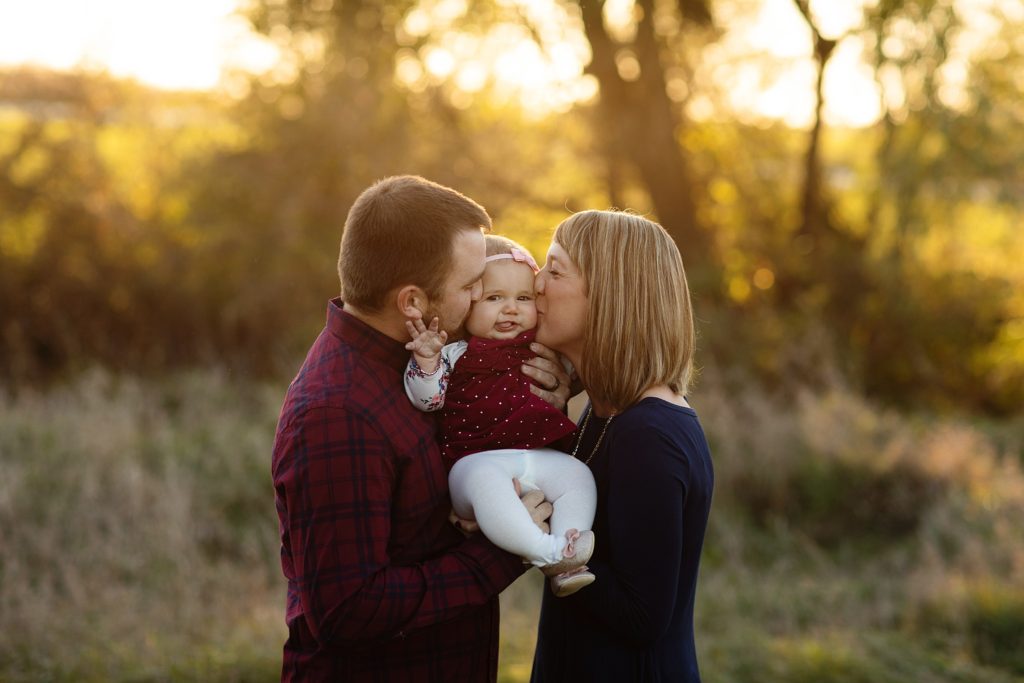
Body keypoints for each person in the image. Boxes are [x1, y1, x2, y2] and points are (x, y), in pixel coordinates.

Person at [271, 175, 571, 682]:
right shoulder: (337, 414)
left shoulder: (427, 365)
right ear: (412, 302)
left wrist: (546, 403)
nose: (483, 296)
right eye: (471, 284)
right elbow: (350, 610)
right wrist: (504, 546)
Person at [529, 210, 715, 683]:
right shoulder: (607, 411)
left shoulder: (648, 434)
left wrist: (540, 537)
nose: (536, 283)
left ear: (610, 294)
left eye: (555, 269)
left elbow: (640, 616)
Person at [404, 235, 598, 597]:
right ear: (469, 306)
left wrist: (569, 379)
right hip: (474, 462)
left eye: (522, 298)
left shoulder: (542, 346)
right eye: (495, 299)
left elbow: (584, 370)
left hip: (537, 457)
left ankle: (567, 551)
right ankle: (545, 552)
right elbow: (427, 400)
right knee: (487, 483)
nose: (511, 309)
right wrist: (427, 363)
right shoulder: (455, 352)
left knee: (578, 475)